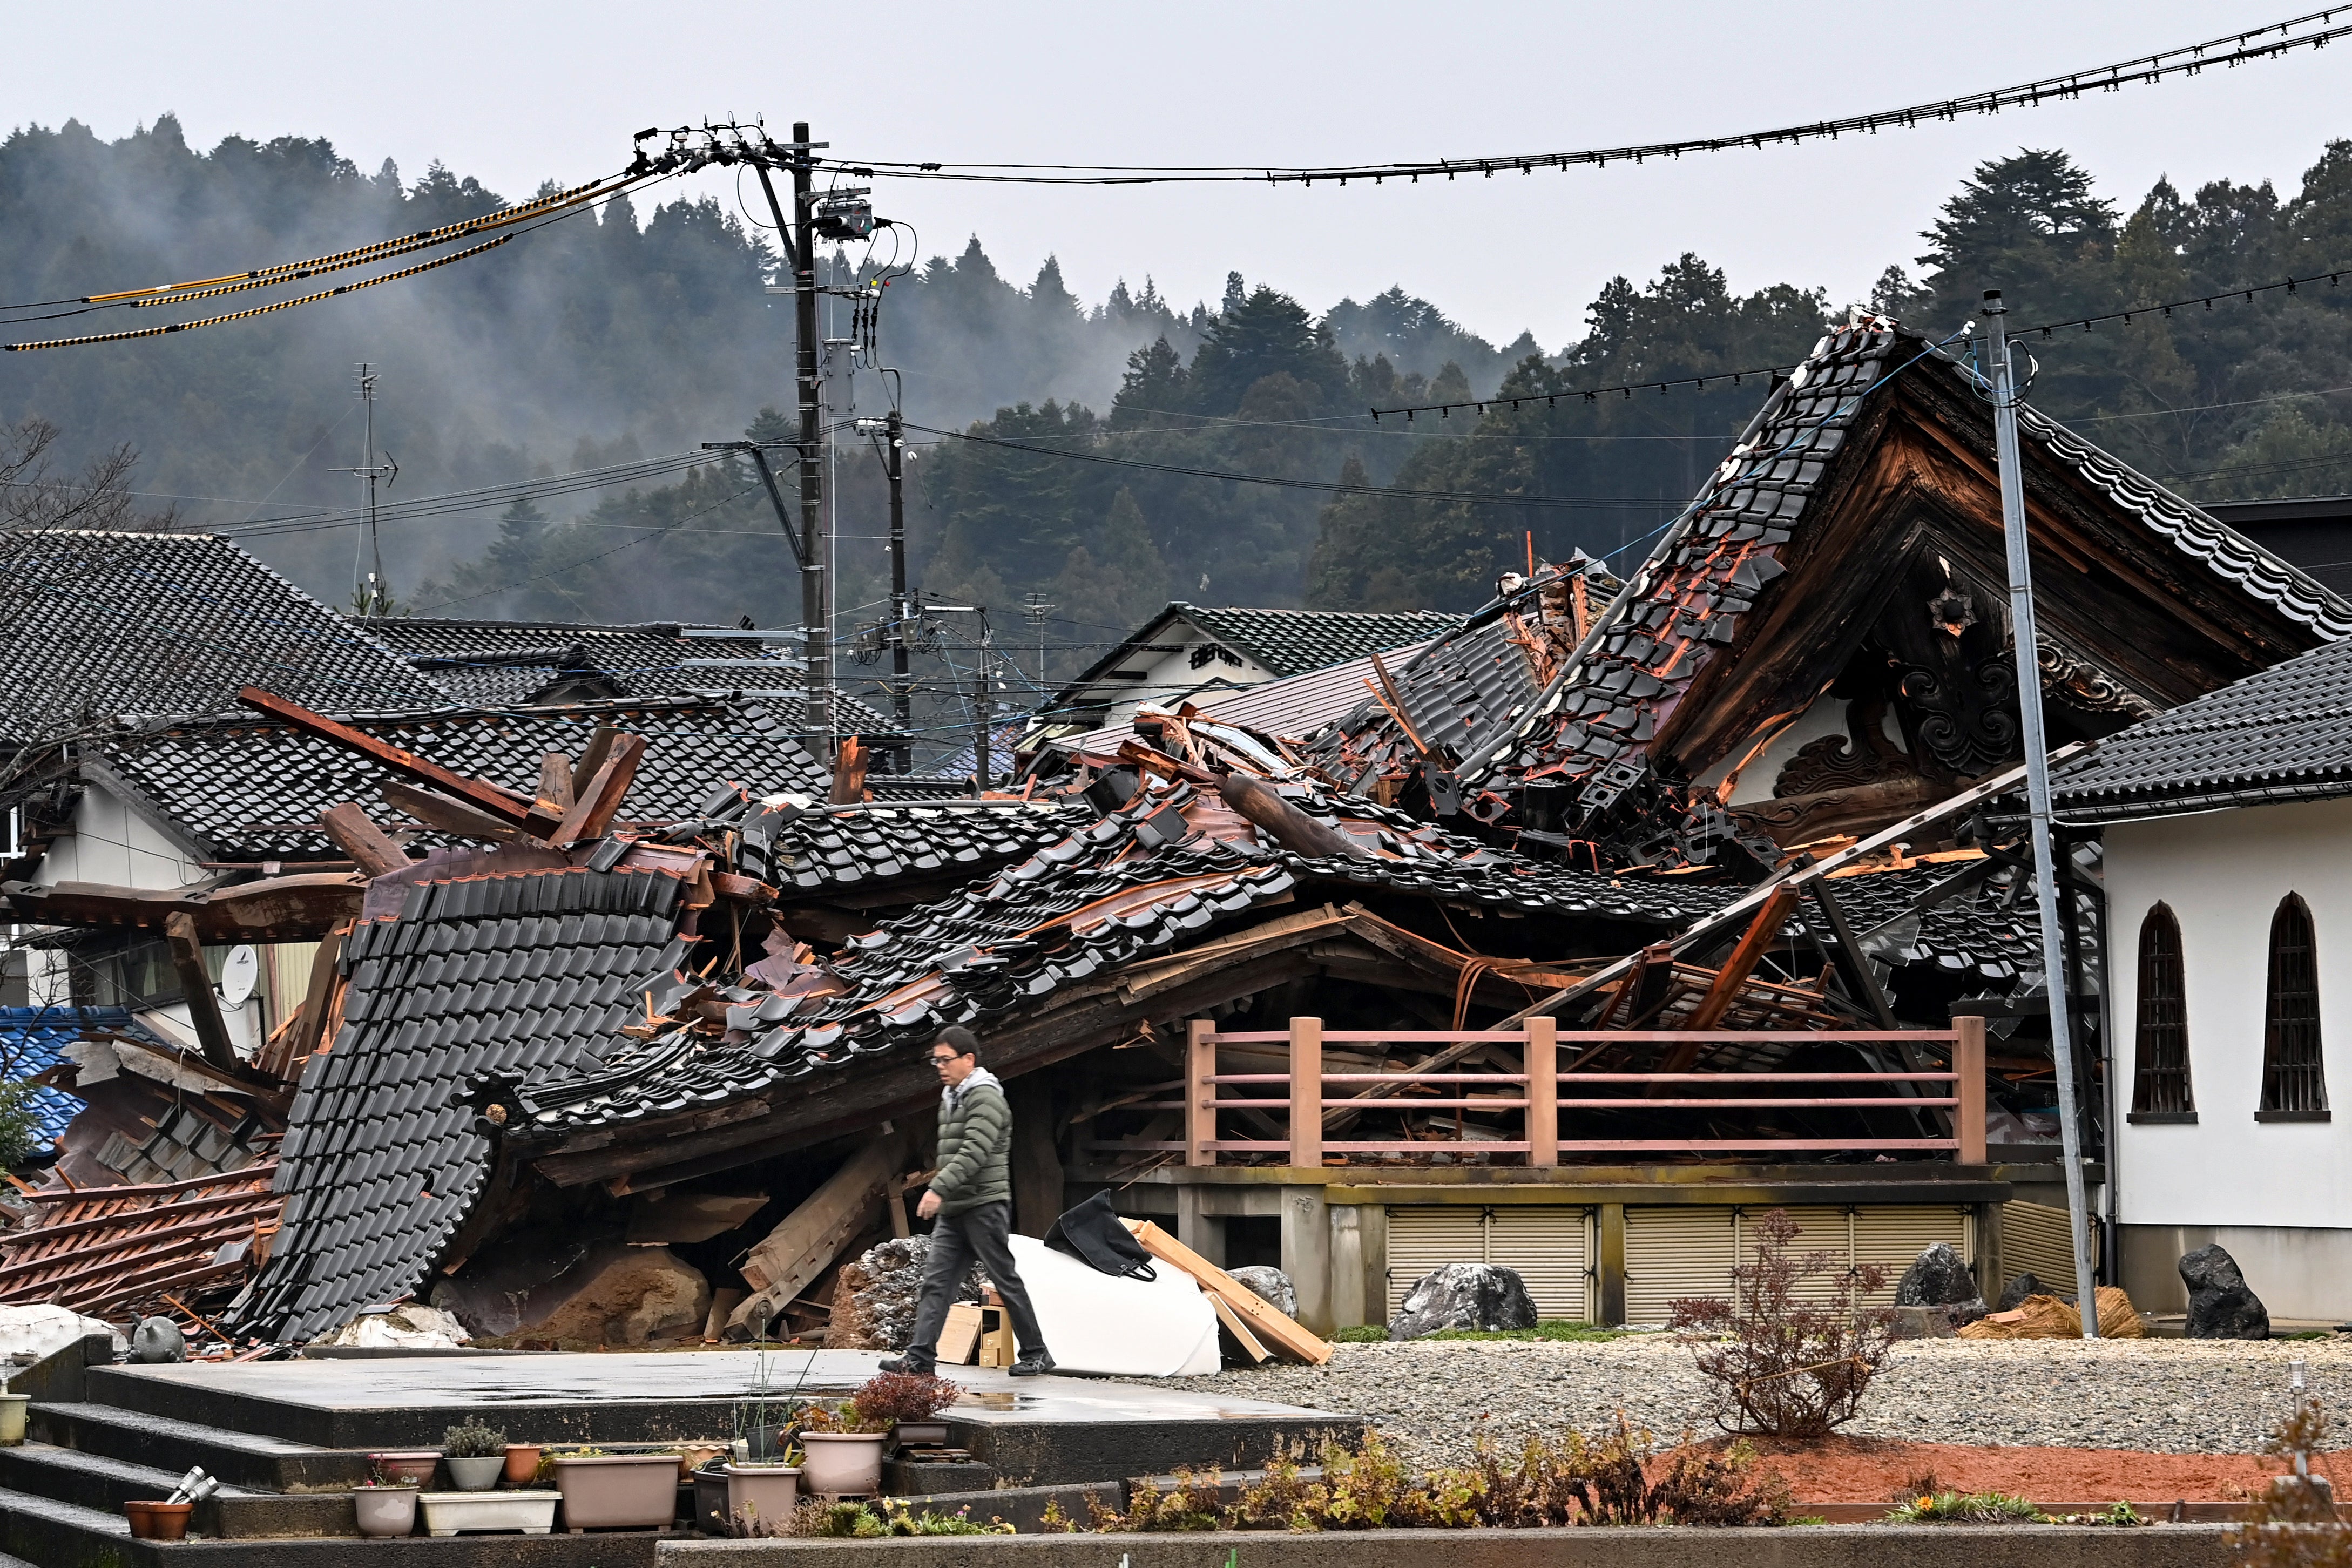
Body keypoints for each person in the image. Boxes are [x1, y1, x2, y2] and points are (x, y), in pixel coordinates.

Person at [880, 1026, 1055, 1377]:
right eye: (936, 1061)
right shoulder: (952, 1096)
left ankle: (1037, 1353)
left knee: (1004, 1280)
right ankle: (920, 1358)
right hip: (955, 1210)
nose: (940, 1067)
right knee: (936, 1282)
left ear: (969, 1059)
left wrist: (938, 1188)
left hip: (985, 1206)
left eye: (946, 1060)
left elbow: (974, 1150)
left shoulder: (985, 1097)